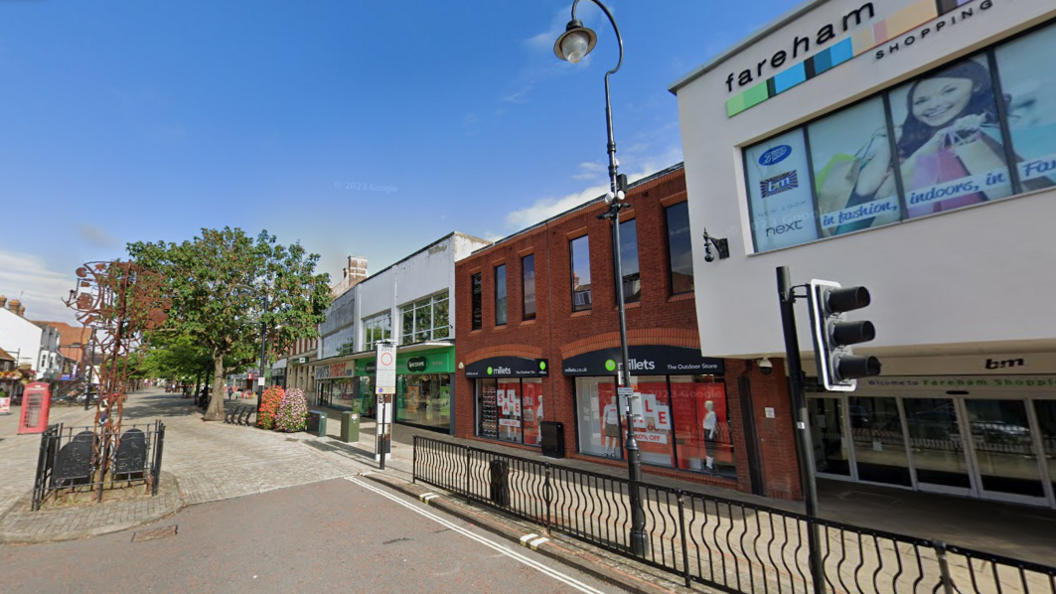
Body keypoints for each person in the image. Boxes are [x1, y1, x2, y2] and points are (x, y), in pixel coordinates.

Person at [895, 59, 1008, 215]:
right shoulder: (906, 146)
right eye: (921, 101)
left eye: (948, 91)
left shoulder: (1001, 127)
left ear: (976, 86)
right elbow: (888, 192)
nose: (934, 105)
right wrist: (939, 138)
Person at [702, 400, 718, 473]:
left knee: (710, 448)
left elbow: (714, 424)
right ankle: (709, 465)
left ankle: (710, 466)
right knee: (707, 448)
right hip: (706, 431)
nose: (704, 405)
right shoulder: (707, 414)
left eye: (706, 404)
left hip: (709, 432)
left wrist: (711, 433)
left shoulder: (712, 413)